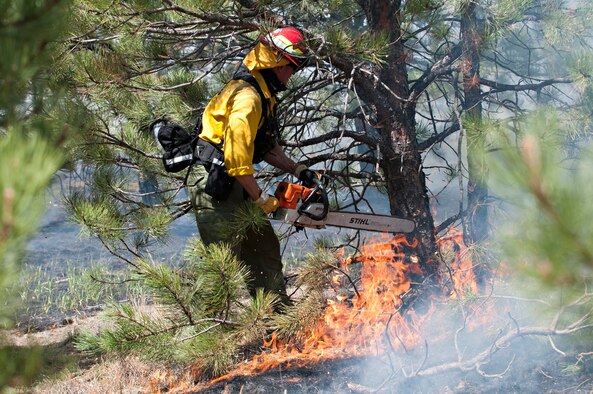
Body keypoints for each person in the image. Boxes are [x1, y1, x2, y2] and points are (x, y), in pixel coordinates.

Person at [189, 26, 317, 308]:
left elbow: (265, 147)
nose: (293, 74)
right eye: (291, 67)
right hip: (215, 185)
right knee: (221, 264)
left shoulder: (263, 93)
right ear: (277, 63)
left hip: (236, 181)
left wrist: (297, 170)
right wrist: (260, 198)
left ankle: (278, 318)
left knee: (264, 248)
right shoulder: (248, 98)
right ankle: (201, 344)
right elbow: (236, 159)